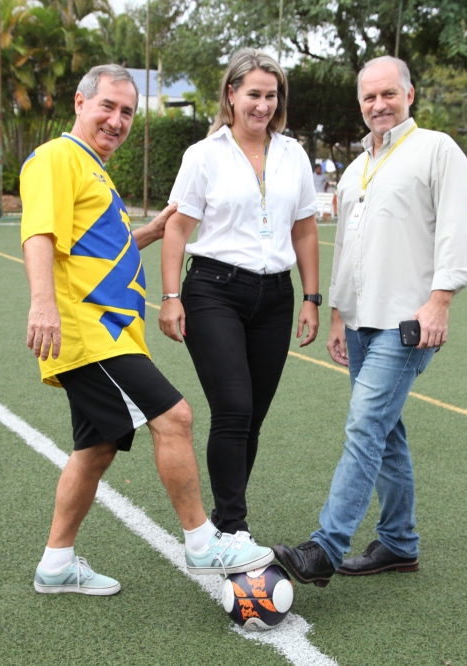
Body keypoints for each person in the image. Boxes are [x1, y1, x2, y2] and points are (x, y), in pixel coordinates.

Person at [20, 63, 275, 596]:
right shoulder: (57, 157)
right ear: (80, 103)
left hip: (110, 330)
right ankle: (203, 541)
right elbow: (40, 233)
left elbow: (94, 248)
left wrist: (149, 233)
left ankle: (56, 564)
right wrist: (41, 304)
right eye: (107, 107)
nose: (116, 120)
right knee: (174, 416)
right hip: (90, 331)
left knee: (97, 448)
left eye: (127, 112)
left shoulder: (93, 169)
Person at [273, 55, 467, 587]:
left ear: (410, 94)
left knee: (365, 424)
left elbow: (457, 231)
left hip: (408, 321)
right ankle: (399, 543)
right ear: (360, 103)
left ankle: (325, 547)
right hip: (360, 321)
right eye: (369, 97)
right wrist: (338, 315)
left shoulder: (437, 150)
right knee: (384, 431)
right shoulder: (356, 169)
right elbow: (347, 248)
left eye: (388, 94)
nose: (379, 104)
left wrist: (441, 301)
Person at [159, 48, 320, 543]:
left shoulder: (293, 154)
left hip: (276, 297)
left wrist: (312, 297)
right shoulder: (203, 155)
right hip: (214, 292)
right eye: (253, 94)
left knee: (253, 418)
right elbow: (177, 228)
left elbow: (305, 229)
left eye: (272, 96)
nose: (263, 105)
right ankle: (233, 528)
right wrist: (170, 296)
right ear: (231, 95)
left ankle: (227, 518)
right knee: (233, 407)